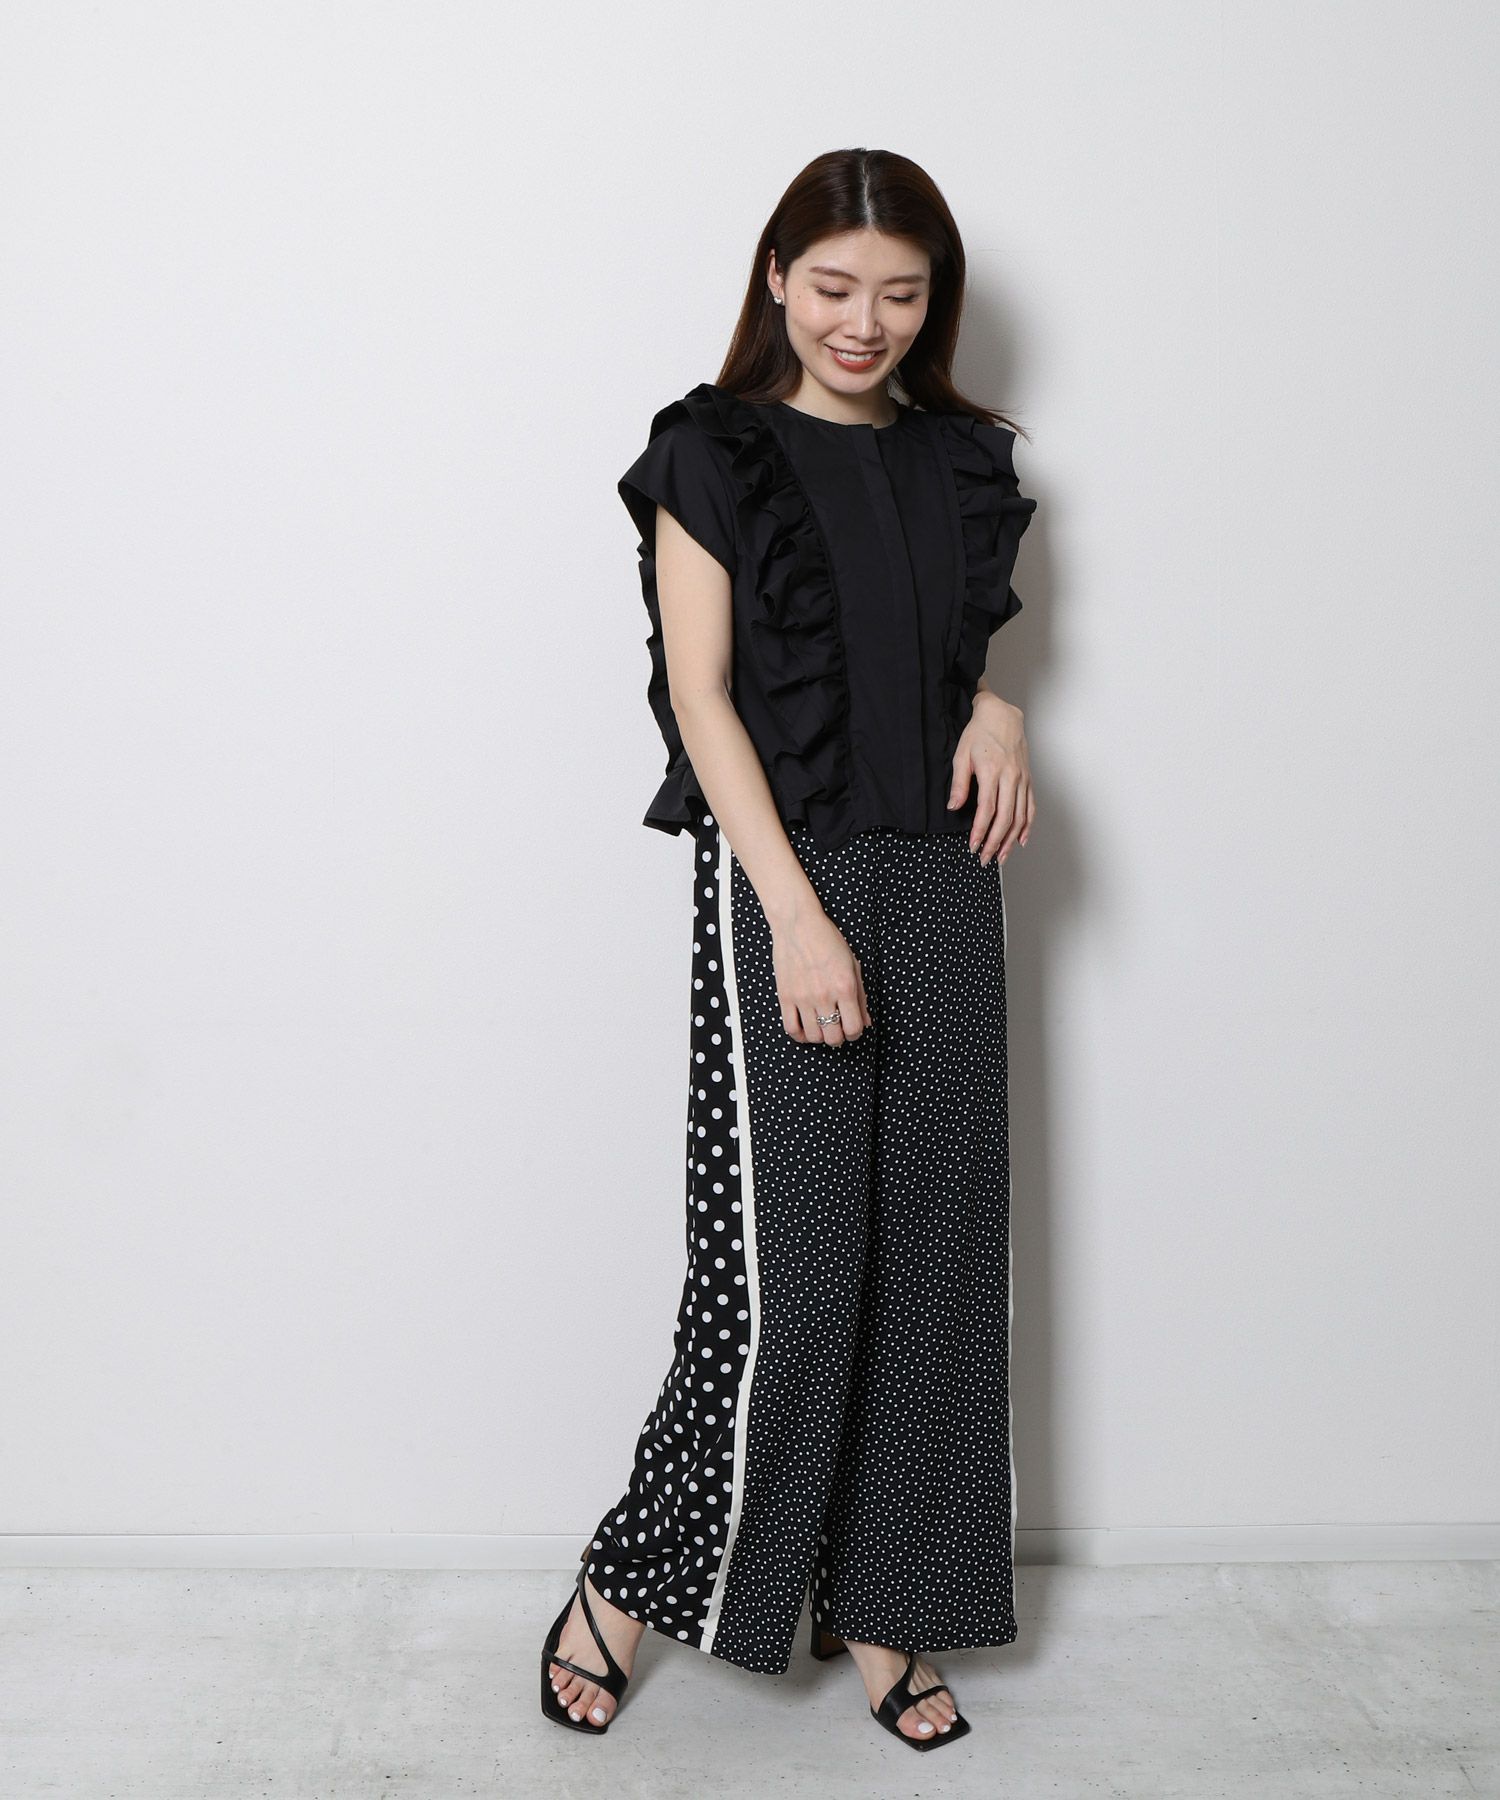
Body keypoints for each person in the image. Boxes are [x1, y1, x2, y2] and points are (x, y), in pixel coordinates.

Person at [540, 145, 1038, 1753]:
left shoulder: (960, 460)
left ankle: (887, 1610)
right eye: (832, 287)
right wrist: (796, 918)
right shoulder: (712, 452)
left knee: (937, 1266)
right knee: (788, 1282)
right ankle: (626, 1587)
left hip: (946, 878)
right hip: (787, 874)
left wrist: (1002, 706)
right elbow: (701, 699)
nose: (864, 322)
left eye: (900, 294)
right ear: (775, 277)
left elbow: (940, 657)